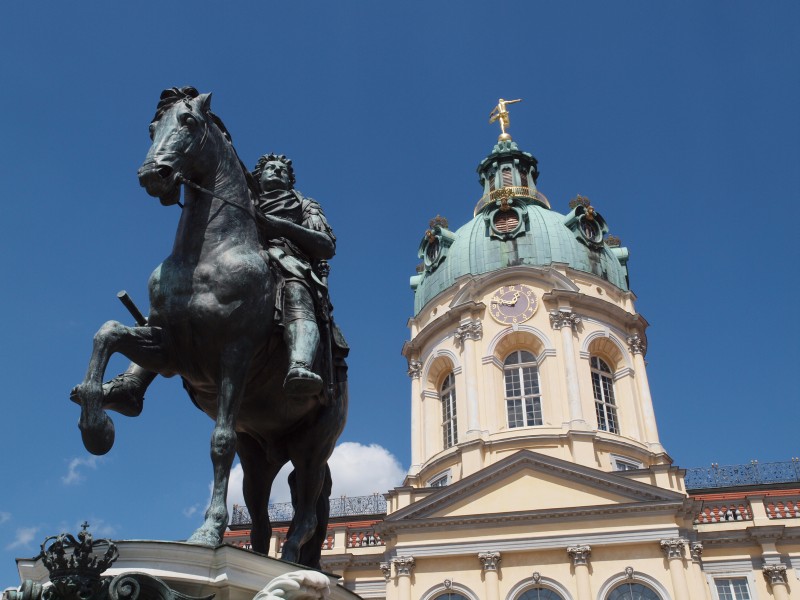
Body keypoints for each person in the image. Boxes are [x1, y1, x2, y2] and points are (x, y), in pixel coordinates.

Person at [251, 153, 335, 396]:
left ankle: (300, 362)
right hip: (241, 253)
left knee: (297, 288)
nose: (276, 171)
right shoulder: (242, 197)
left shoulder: (306, 205)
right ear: (259, 176)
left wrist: (284, 227)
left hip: (287, 262)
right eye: (270, 168)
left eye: (282, 170)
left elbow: (326, 245)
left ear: (289, 180)